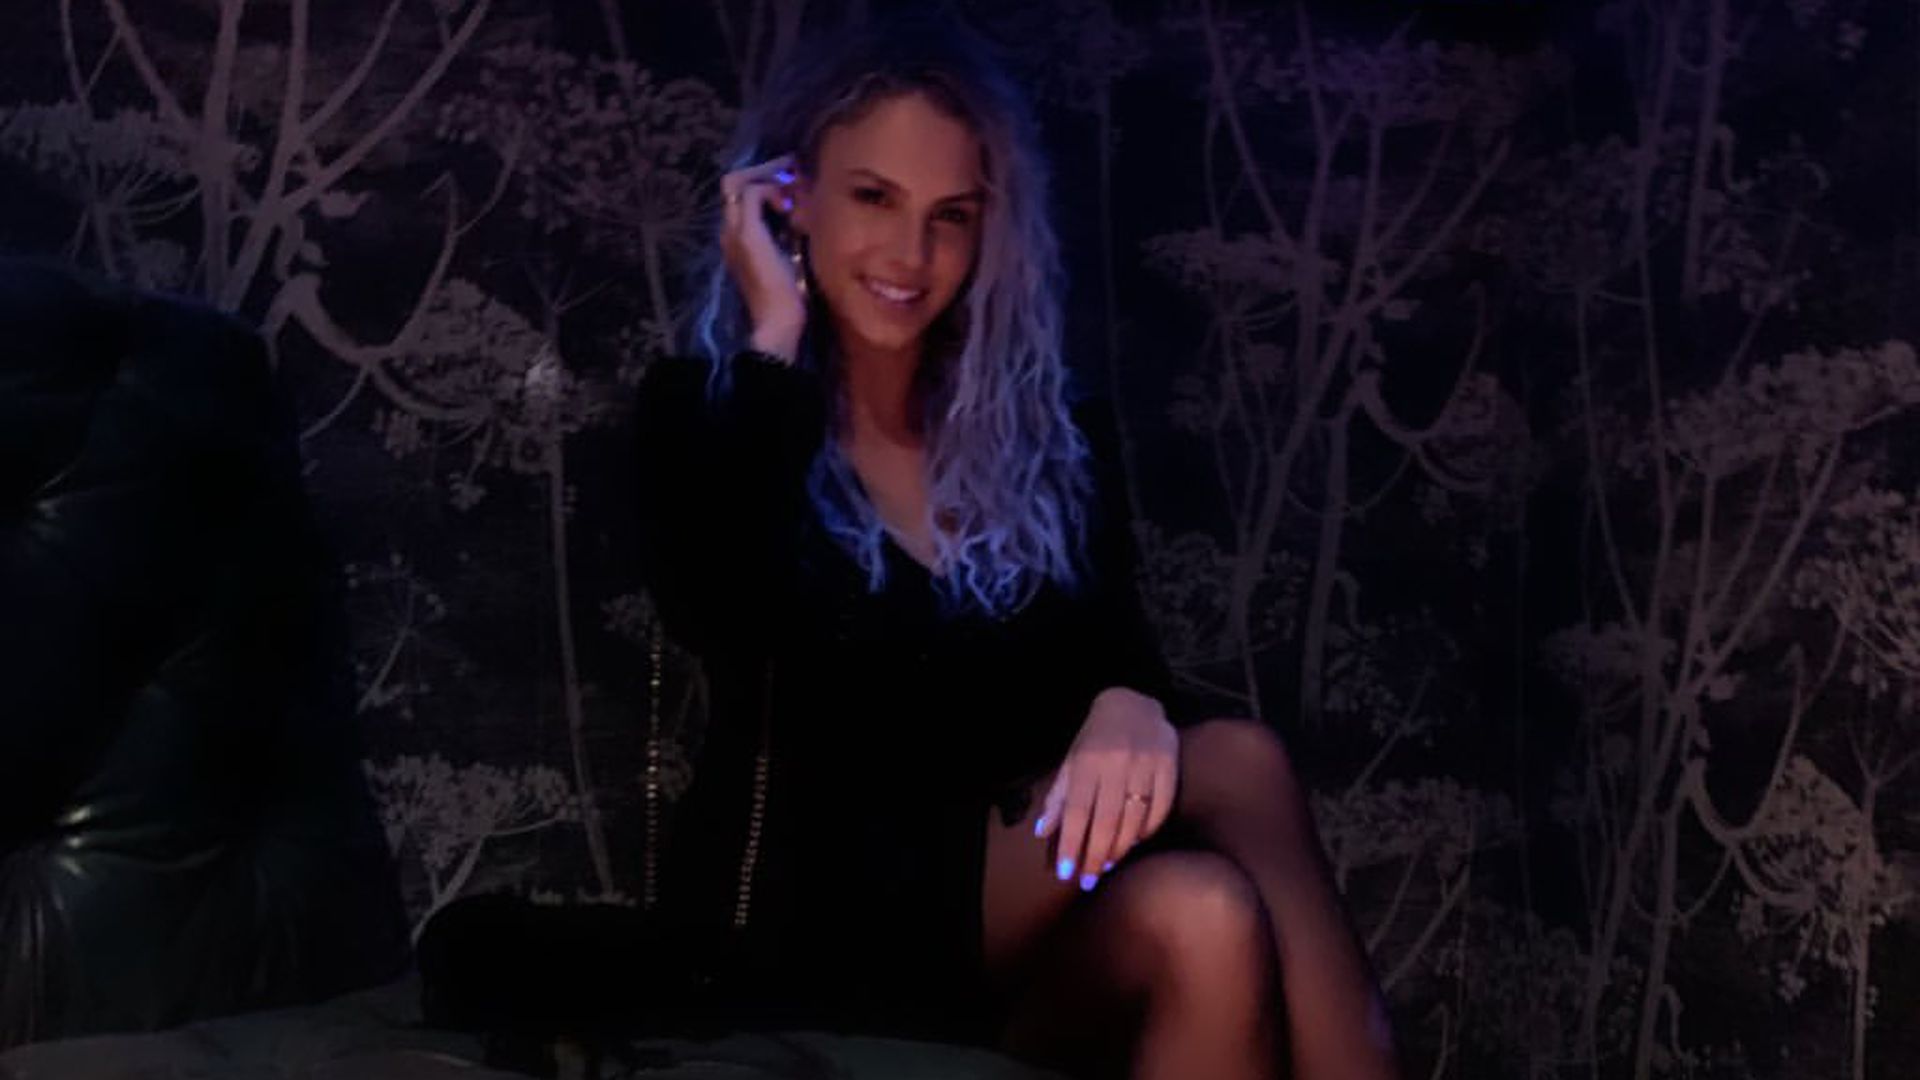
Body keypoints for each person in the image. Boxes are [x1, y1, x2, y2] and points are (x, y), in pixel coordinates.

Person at [632, 11, 1399, 1079]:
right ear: (789, 199)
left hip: (1010, 937)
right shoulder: (709, 412)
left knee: (1204, 912)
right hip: (812, 924)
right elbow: (722, 607)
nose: (911, 255)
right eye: (874, 198)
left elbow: (1117, 657)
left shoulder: (1051, 436)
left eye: (950, 216)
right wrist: (775, 343)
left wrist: (1127, 700)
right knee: (1237, 764)